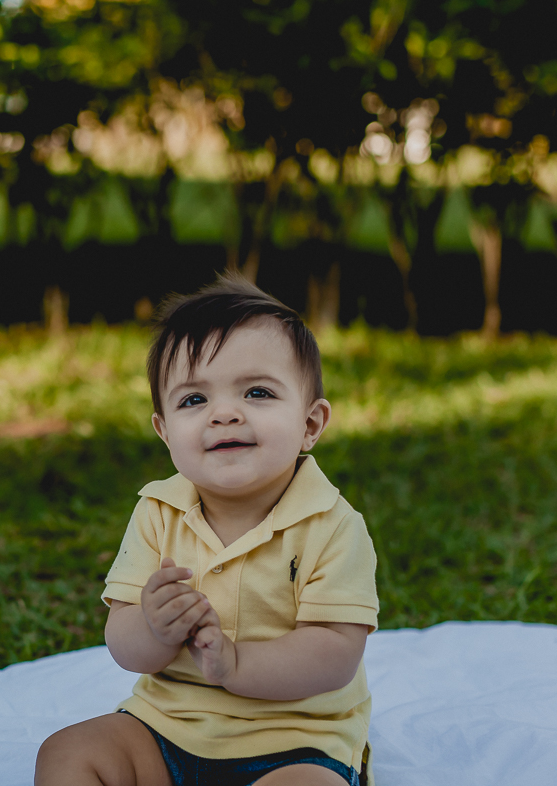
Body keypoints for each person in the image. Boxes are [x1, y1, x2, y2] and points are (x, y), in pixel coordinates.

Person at [35, 274, 378, 786]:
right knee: (66, 753)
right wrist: (152, 628)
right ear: (165, 430)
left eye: (257, 392)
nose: (224, 414)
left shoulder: (331, 525)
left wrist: (235, 664)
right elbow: (124, 645)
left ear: (310, 425)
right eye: (194, 401)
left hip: (294, 744)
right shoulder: (159, 511)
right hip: (167, 730)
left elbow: (334, 654)